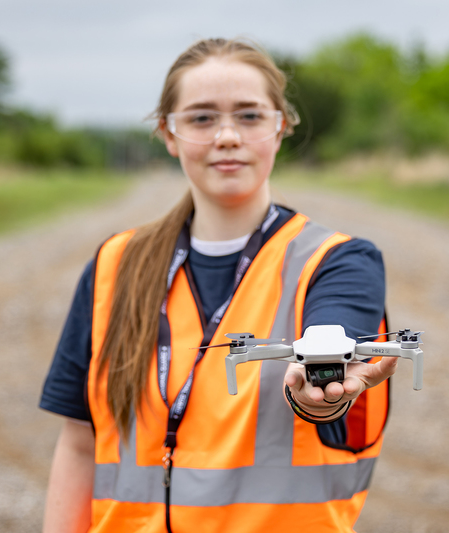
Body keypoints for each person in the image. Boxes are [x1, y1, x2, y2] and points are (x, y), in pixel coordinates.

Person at [39, 38, 397, 533]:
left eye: (249, 116)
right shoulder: (113, 267)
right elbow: (79, 444)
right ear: (169, 133)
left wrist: (322, 385)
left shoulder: (338, 262)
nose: (227, 136)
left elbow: (329, 345)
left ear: (280, 127)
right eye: (202, 118)